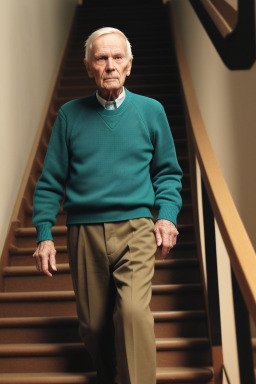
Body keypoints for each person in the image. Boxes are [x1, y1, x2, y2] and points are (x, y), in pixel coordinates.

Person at [32, 27, 182, 384]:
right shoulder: (69, 115)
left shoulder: (151, 111)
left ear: (129, 65)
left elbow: (168, 174)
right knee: (94, 327)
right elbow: (50, 182)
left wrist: (167, 217)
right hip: (84, 232)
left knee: (132, 313)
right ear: (88, 67)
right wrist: (43, 235)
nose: (110, 65)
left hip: (136, 228)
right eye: (101, 58)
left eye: (118, 58)